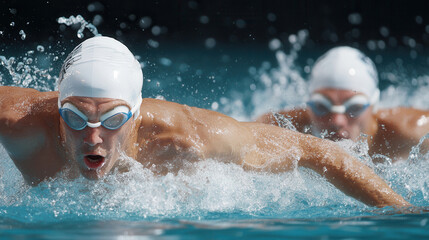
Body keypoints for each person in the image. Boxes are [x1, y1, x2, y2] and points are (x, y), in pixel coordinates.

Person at [0, 37, 411, 208]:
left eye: (112, 119)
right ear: (58, 109)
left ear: (136, 114)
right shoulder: (19, 122)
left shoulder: (186, 136)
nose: (93, 135)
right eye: (74, 116)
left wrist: (404, 215)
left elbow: (317, 152)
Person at [257, 46, 429, 161]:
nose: (337, 121)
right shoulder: (278, 127)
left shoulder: (410, 132)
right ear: (309, 105)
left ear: (373, 105)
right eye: (322, 107)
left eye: (354, 107)